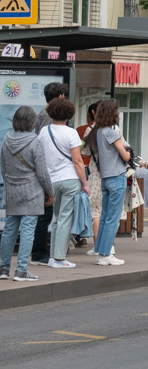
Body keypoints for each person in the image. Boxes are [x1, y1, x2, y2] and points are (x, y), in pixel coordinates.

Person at [0, 106, 55, 281]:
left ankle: (3, 268)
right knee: (28, 230)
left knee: (9, 230)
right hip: (32, 191)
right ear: (32, 123)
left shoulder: (5, 141)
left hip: (12, 190)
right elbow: (42, 172)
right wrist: (50, 192)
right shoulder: (35, 142)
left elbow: (3, 169)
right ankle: (22, 270)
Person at [38, 97, 87, 269]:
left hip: (51, 181)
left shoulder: (44, 131)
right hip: (69, 179)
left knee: (57, 218)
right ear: (69, 114)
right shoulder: (71, 133)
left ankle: (53, 256)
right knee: (65, 218)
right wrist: (85, 183)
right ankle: (59, 258)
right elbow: (77, 161)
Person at [85, 99, 131, 266]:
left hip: (105, 178)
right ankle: (106, 254)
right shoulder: (112, 133)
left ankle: (100, 252)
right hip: (116, 176)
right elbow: (125, 155)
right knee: (113, 218)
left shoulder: (99, 131)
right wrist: (128, 153)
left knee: (104, 217)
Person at [29, 82, 69, 265]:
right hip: (48, 172)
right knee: (44, 216)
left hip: (46, 172)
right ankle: (39, 254)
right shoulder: (47, 117)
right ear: (60, 96)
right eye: (64, 95)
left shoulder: (42, 114)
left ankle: (40, 252)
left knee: (44, 215)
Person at [77, 102, 102, 248]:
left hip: (91, 173)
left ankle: (97, 244)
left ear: (92, 113)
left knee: (93, 210)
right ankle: (108, 244)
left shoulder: (84, 130)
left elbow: (81, 152)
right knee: (105, 210)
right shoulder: (115, 130)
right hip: (111, 175)